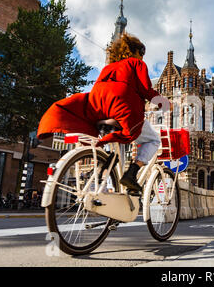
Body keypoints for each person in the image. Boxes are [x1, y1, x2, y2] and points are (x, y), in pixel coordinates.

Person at [37, 33, 166, 194]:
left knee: (116, 150)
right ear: (135, 52)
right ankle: (132, 173)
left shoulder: (108, 68)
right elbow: (146, 89)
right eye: (142, 52)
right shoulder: (136, 64)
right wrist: (165, 103)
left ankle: (106, 175)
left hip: (98, 110)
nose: (143, 57)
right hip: (122, 111)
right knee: (153, 140)